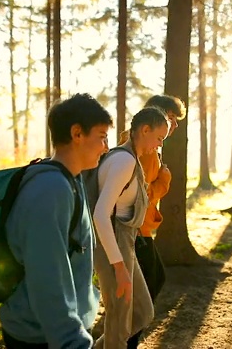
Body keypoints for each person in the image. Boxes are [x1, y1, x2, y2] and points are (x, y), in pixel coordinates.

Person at [0, 93, 113, 349]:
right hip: (41, 336)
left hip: (53, 332)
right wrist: (72, 341)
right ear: (77, 133)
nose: (106, 147)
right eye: (102, 136)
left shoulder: (71, 180)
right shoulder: (50, 190)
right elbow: (46, 276)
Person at [91, 107, 169, 348]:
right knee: (119, 320)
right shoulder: (123, 160)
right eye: (158, 138)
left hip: (126, 243)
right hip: (112, 244)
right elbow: (101, 215)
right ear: (144, 129)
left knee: (143, 313)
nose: (158, 145)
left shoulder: (131, 159)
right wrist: (118, 265)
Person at [119, 95, 186, 349]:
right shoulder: (145, 151)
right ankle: (126, 340)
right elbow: (142, 193)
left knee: (154, 280)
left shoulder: (142, 144)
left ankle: (126, 336)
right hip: (136, 228)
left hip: (139, 227)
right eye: (171, 118)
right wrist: (165, 180)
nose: (175, 126)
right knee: (149, 285)